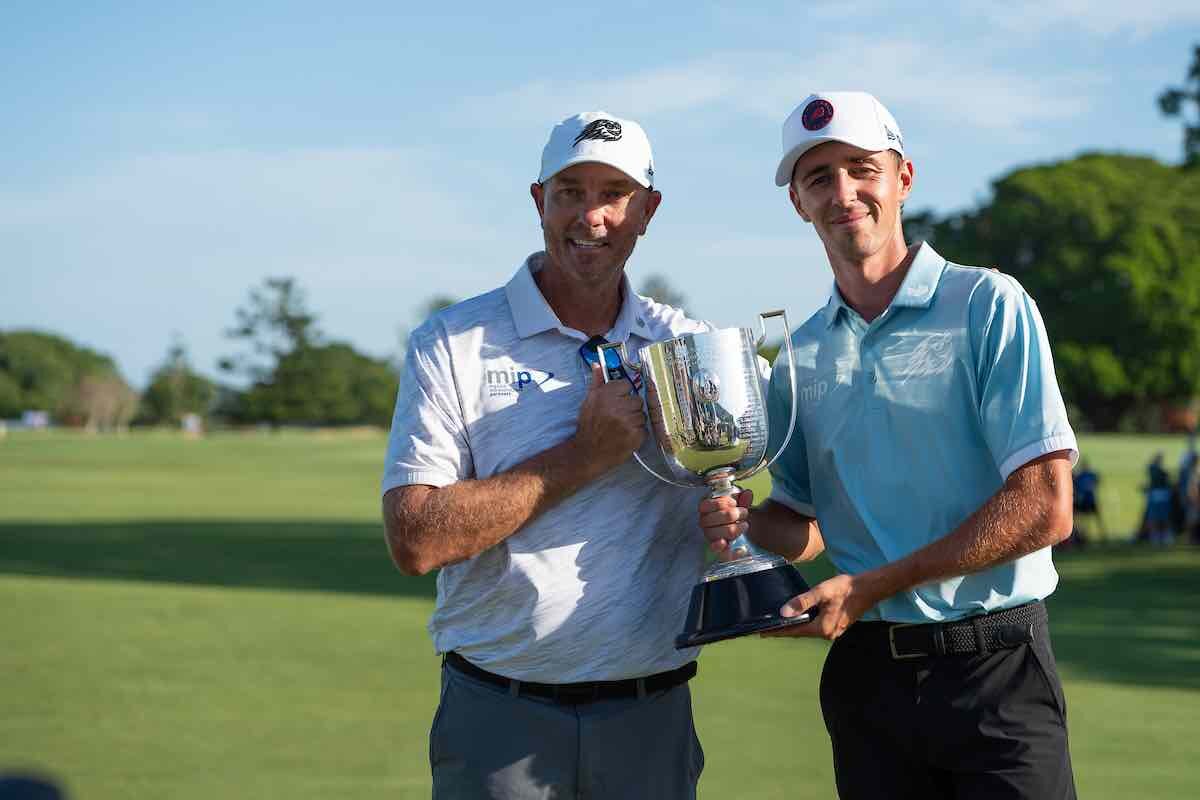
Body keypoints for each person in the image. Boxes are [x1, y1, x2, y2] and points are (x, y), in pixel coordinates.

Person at [699, 91, 1079, 798]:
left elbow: (1044, 507)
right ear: (797, 203)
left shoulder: (988, 304)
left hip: (996, 668)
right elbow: (804, 528)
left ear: (903, 178)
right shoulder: (802, 355)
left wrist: (873, 585)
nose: (843, 192)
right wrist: (744, 517)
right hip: (868, 681)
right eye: (818, 178)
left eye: (861, 168)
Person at [381, 111, 712, 799]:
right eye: (570, 191)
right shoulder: (453, 341)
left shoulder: (686, 346)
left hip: (653, 716)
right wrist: (582, 457)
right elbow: (414, 539)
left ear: (647, 210)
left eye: (613, 194)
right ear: (539, 201)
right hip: (500, 715)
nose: (590, 216)